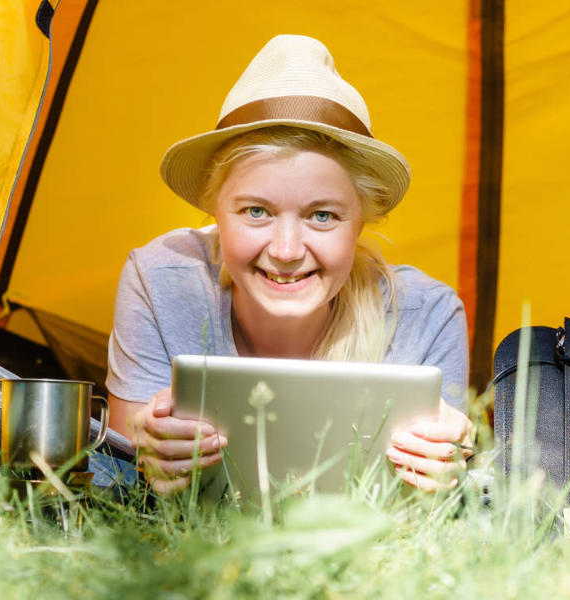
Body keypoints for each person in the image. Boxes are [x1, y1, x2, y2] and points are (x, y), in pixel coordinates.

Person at [104, 34, 473, 496]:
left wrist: (446, 469)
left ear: (361, 221)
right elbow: (117, 474)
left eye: (322, 216)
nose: (285, 250)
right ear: (215, 213)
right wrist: (148, 446)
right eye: (255, 211)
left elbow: (436, 505)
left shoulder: (427, 316)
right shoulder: (160, 280)